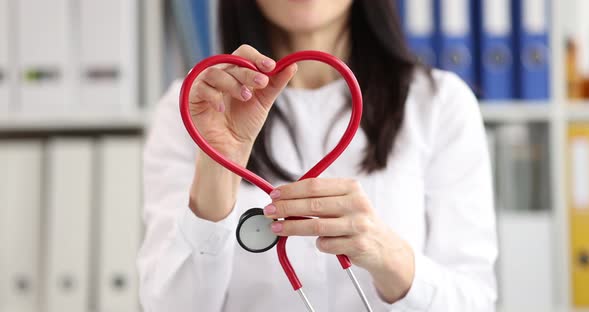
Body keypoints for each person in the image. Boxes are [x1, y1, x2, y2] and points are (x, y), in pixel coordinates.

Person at [137, 0, 498, 311]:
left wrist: (389, 256)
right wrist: (217, 166)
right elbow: (169, 306)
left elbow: (475, 300)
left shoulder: (439, 104)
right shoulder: (192, 108)